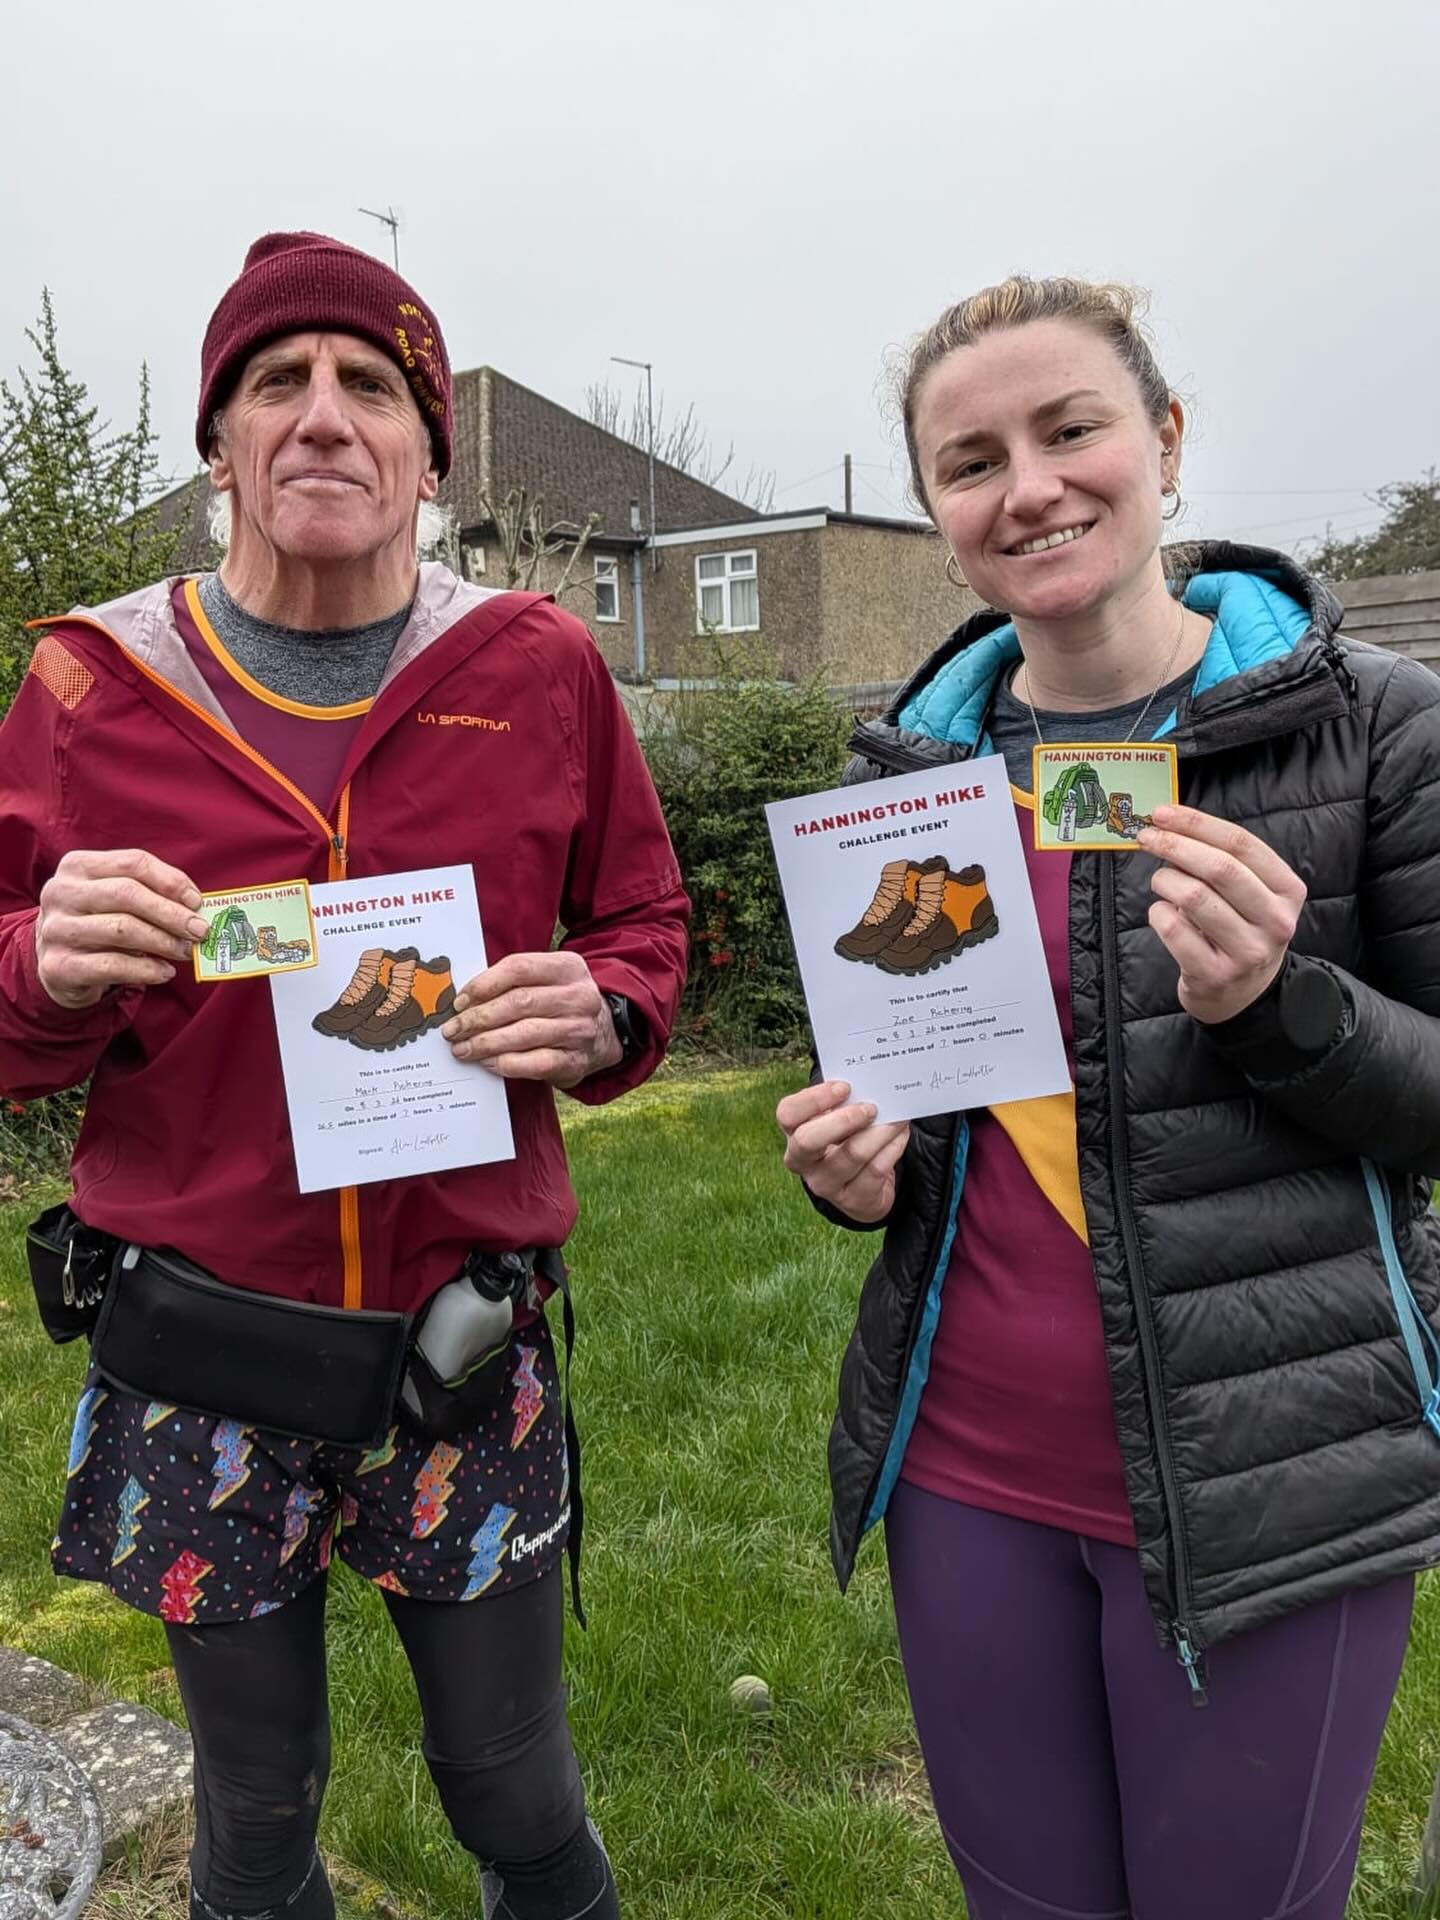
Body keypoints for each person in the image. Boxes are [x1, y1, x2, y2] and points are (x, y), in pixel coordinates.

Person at [0, 232, 689, 1920]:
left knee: (515, 1794)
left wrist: (600, 1013)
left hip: (460, 1352)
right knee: (253, 1815)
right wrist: (43, 961)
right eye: (274, 384)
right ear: (220, 443)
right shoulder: (91, 685)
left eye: (370, 386)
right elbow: (11, 1009)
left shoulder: (536, 670)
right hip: (197, 1363)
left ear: (427, 455)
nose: (324, 417)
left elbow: (648, 923)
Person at [777, 275, 1440, 1919]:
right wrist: (850, 1171)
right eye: (971, 459)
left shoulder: (1374, 736)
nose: (1032, 486)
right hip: (966, 1471)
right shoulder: (909, 781)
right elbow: (925, 1116)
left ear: (1163, 441)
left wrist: (1285, 1008)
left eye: (1071, 430)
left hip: (1268, 1474)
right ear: (937, 512)